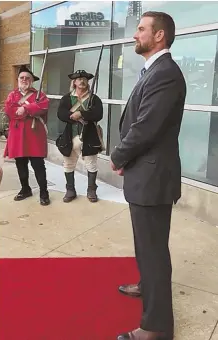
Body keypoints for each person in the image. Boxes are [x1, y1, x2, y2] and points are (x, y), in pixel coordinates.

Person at [111, 11, 186, 340]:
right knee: (146, 246)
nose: (134, 34)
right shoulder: (154, 71)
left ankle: (156, 328)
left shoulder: (165, 73)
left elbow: (146, 127)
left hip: (153, 179)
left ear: (159, 36)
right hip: (145, 175)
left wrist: (118, 154)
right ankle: (147, 287)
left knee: (154, 252)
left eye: (141, 29)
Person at [4, 65, 50, 206]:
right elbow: (9, 110)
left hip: (34, 135)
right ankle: (25, 189)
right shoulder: (12, 95)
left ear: (31, 81)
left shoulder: (39, 95)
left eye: (27, 78)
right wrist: (31, 109)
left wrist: (25, 107)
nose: (24, 80)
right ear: (18, 80)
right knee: (20, 164)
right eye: (22, 78)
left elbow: (44, 106)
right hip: (17, 135)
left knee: (38, 165)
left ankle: (44, 192)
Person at [57, 69, 103, 203]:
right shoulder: (67, 98)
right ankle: (70, 190)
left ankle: (91, 190)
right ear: (74, 82)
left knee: (91, 164)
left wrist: (82, 114)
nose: (82, 81)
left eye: (84, 79)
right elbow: (60, 113)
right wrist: (72, 116)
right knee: (68, 163)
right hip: (70, 136)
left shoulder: (94, 98)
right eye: (79, 79)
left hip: (89, 136)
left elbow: (98, 114)